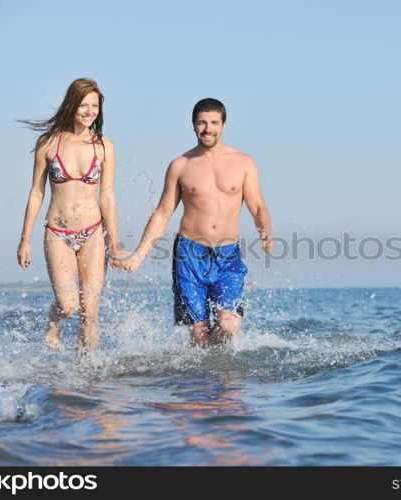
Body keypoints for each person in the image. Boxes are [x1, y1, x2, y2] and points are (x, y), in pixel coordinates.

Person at [114, 98, 272, 347]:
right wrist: (138, 256)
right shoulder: (180, 165)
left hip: (228, 254)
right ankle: (201, 383)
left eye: (213, 123)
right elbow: (163, 213)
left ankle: (220, 373)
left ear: (223, 125)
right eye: (202, 123)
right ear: (193, 125)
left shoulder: (243, 163)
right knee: (198, 335)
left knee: (228, 325)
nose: (208, 129)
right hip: (189, 254)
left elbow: (258, 206)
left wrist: (265, 231)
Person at [17, 78, 121, 352]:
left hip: (93, 232)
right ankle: (53, 322)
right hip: (58, 233)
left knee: (90, 312)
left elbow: (107, 195)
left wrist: (115, 241)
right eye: (84, 105)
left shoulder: (104, 146)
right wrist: (25, 239)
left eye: (95, 106)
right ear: (71, 105)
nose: (89, 111)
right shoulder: (49, 143)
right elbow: (36, 193)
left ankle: (87, 379)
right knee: (68, 304)